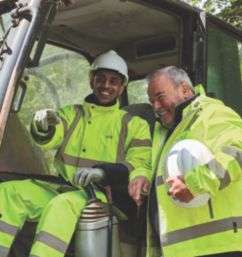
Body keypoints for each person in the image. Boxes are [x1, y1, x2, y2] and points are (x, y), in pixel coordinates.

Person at [0, 50, 152, 257]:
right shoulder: (71, 114)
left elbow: (140, 162)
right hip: (61, 187)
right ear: (91, 81)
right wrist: (43, 125)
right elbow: (48, 139)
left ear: (122, 86)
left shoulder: (134, 125)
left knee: (60, 206)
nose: (106, 86)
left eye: (113, 81)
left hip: (99, 194)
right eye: (101, 79)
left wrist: (103, 173)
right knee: (8, 193)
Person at [128, 66, 242, 257]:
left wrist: (194, 183)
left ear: (185, 90)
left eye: (160, 97)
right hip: (180, 251)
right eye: (151, 101)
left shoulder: (211, 112)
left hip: (221, 249)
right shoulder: (163, 132)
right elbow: (149, 164)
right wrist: (140, 176)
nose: (155, 107)